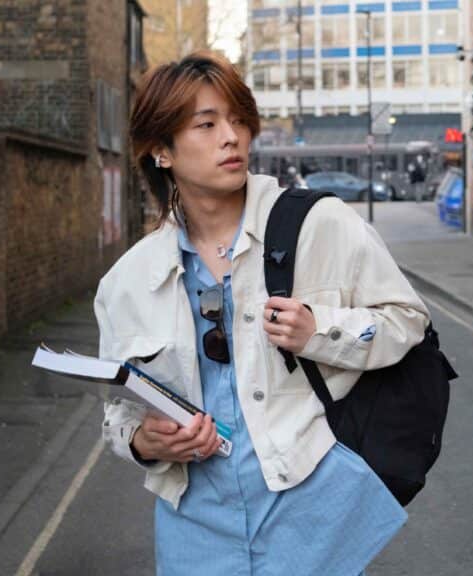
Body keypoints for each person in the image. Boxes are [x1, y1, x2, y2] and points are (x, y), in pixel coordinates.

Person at [96, 51, 429, 575]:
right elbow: (118, 408)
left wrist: (321, 331)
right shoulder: (127, 282)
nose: (232, 137)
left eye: (238, 120)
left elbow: (407, 320)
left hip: (311, 510)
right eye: (207, 124)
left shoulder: (321, 224)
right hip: (194, 526)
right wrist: (142, 441)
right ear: (161, 150)